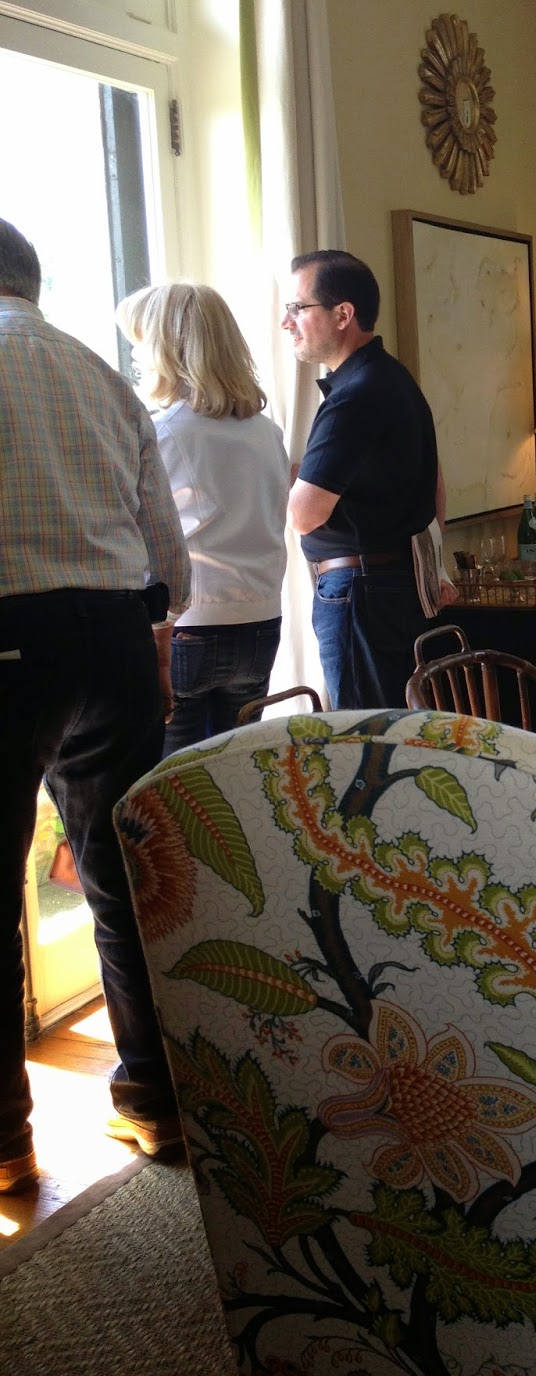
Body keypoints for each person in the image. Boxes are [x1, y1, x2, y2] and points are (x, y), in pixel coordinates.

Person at [0, 219, 191, 1192]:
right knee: (120, 873)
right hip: (114, 635)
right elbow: (170, 562)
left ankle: (6, 1143)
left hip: (7, 637)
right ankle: (154, 1100)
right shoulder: (100, 375)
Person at [117, 282, 289, 754]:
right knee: (234, 768)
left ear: (166, 349)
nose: (136, 356)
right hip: (261, 619)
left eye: (140, 342)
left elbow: (143, 534)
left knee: (177, 777)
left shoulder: (163, 432)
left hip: (190, 625)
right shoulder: (267, 432)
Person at [285, 248, 440, 709]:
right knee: (394, 728)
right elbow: (437, 485)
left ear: (343, 315)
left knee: (363, 735)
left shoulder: (354, 396)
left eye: (298, 308)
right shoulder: (395, 378)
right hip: (394, 584)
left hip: (359, 593)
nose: (287, 322)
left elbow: (304, 516)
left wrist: (288, 479)